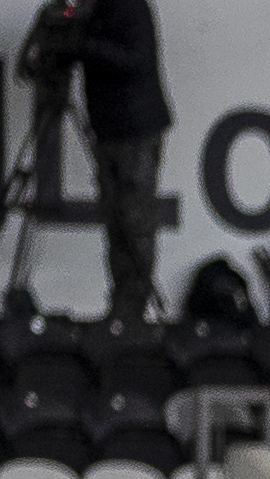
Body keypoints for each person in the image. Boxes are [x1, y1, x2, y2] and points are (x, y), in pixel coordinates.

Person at [63, 0, 170, 318]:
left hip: (134, 129)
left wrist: (83, 46)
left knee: (134, 219)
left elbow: (135, 58)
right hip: (108, 129)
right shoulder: (89, 8)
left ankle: (133, 309)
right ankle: (123, 306)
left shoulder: (127, 6)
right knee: (116, 221)